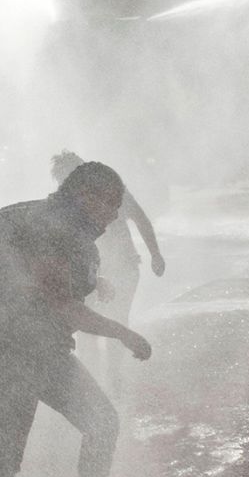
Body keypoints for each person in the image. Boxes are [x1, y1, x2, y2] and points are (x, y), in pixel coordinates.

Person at [0, 162, 155, 477]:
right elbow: (62, 305)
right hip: (11, 352)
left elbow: (52, 285)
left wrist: (96, 283)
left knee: (102, 423)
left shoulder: (56, 225)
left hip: (42, 351)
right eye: (111, 206)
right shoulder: (56, 231)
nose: (113, 217)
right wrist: (124, 334)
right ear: (87, 196)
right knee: (4, 456)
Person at [52, 151, 167, 391]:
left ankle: (114, 376)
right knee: (85, 325)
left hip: (123, 266)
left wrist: (155, 254)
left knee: (117, 319)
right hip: (86, 273)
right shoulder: (62, 204)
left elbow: (141, 220)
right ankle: (91, 380)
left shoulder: (115, 191)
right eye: (62, 180)